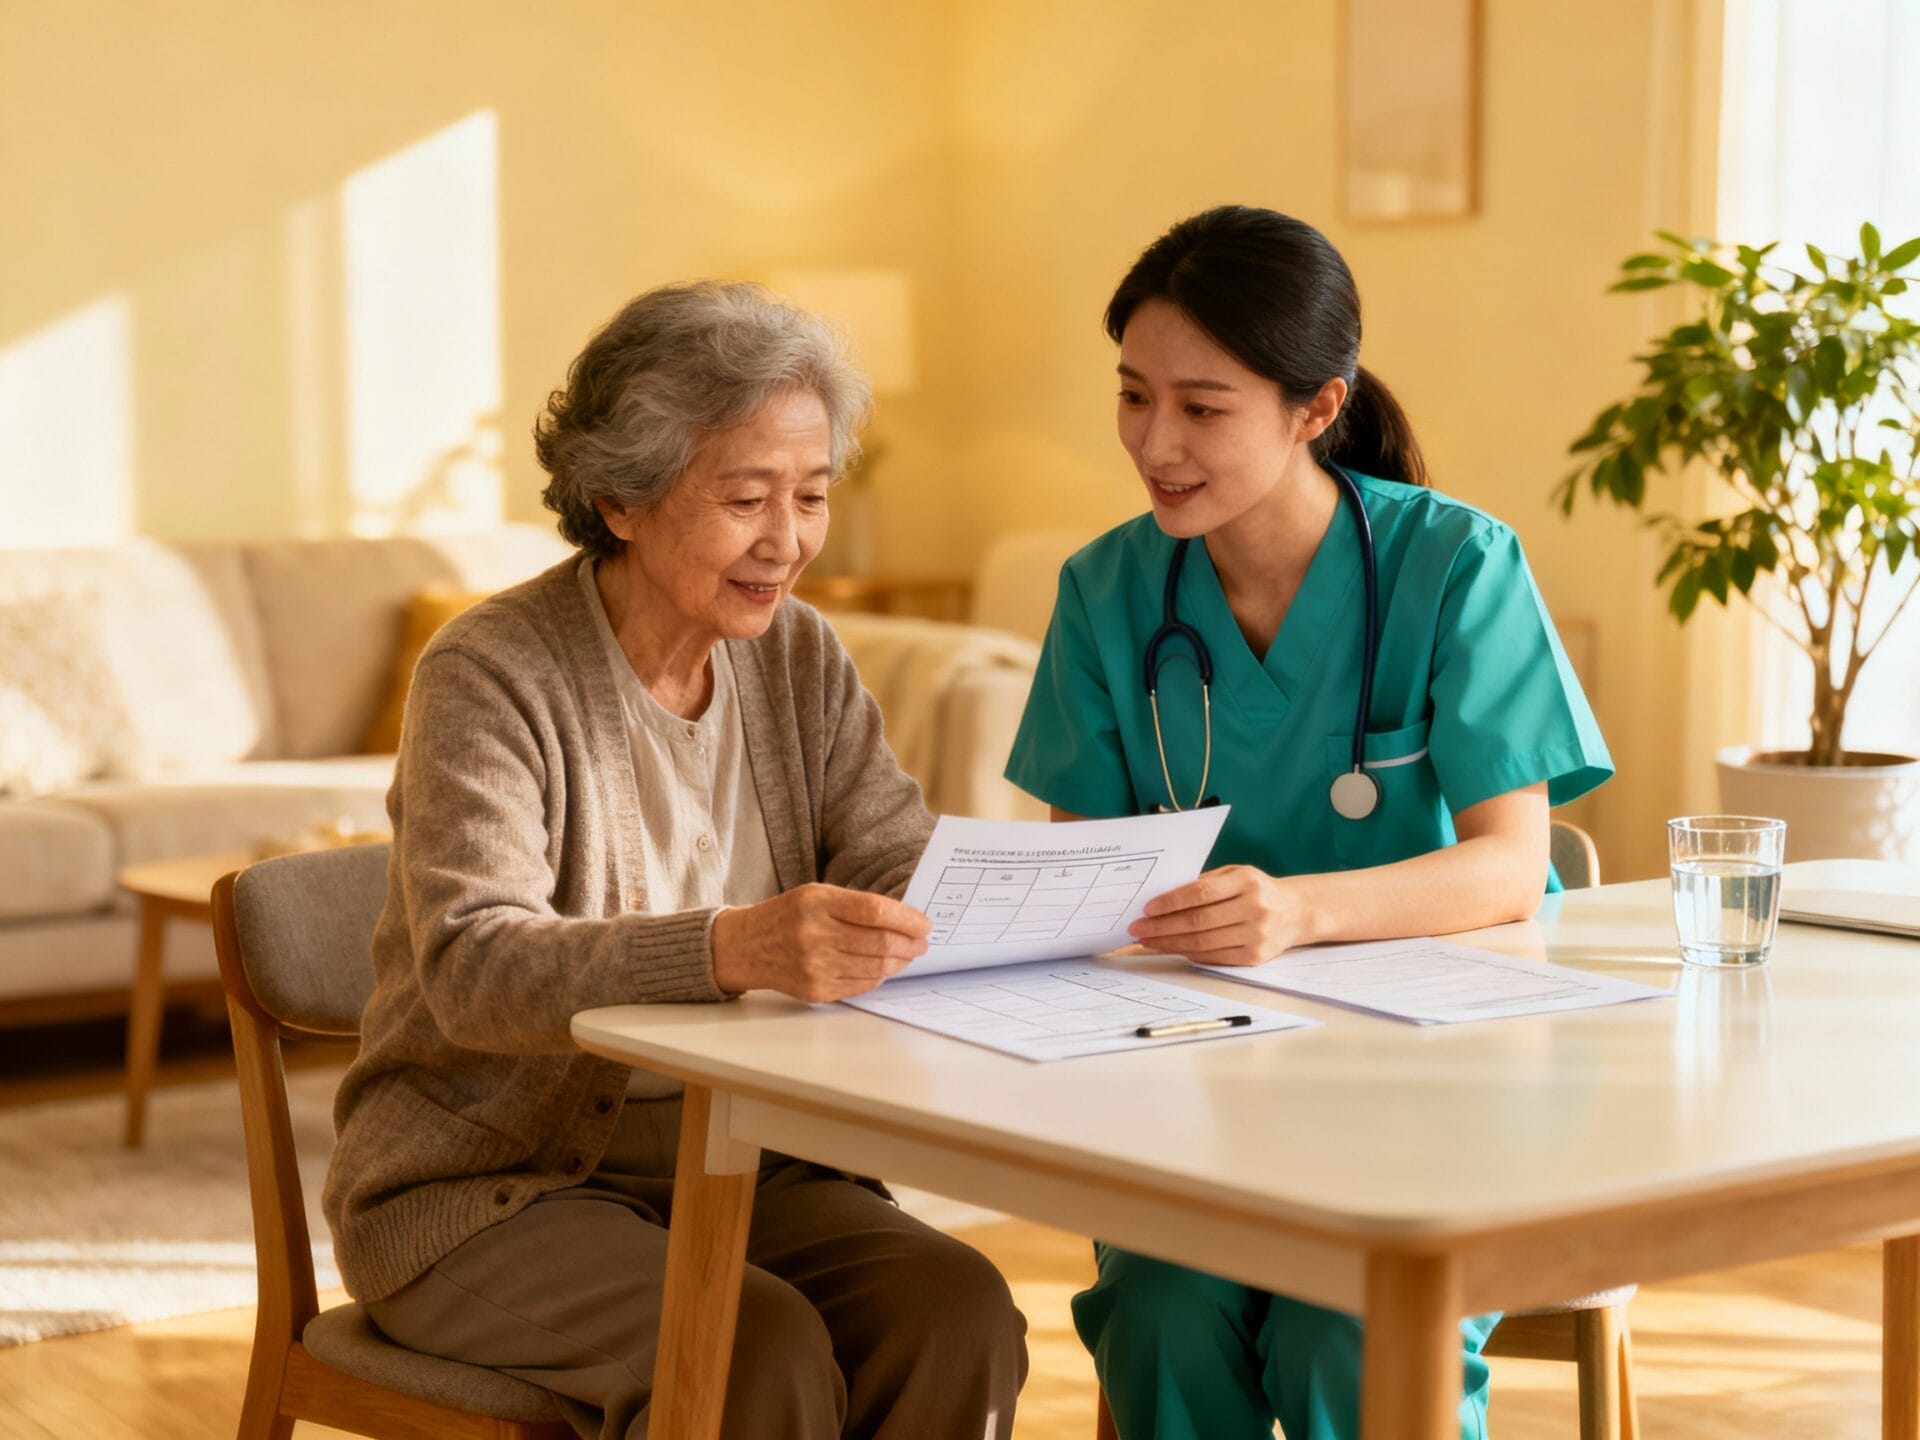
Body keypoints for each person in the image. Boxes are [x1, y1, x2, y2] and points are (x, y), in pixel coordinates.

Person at [323, 281, 1028, 1440]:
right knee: (747, 1348)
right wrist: (733, 946)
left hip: (747, 1157)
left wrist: (1003, 902)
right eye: (745, 497)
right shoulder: (489, 672)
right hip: (489, 1186)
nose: (789, 541)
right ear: (620, 496)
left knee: (959, 1310)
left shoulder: (797, 656)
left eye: (810, 495)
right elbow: (473, 967)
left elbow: (895, 857)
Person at [1004, 206, 1613, 1440]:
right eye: (1133, 396)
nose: (1156, 442)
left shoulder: (1456, 566)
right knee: (1165, 1315)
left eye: (1203, 407)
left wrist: (1302, 911)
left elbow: (1512, 863)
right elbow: (1086, 878)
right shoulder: (1107, 590)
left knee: (1348, 1329)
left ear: (1316, 408)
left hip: (1434, 1078)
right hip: (1197, 1073)